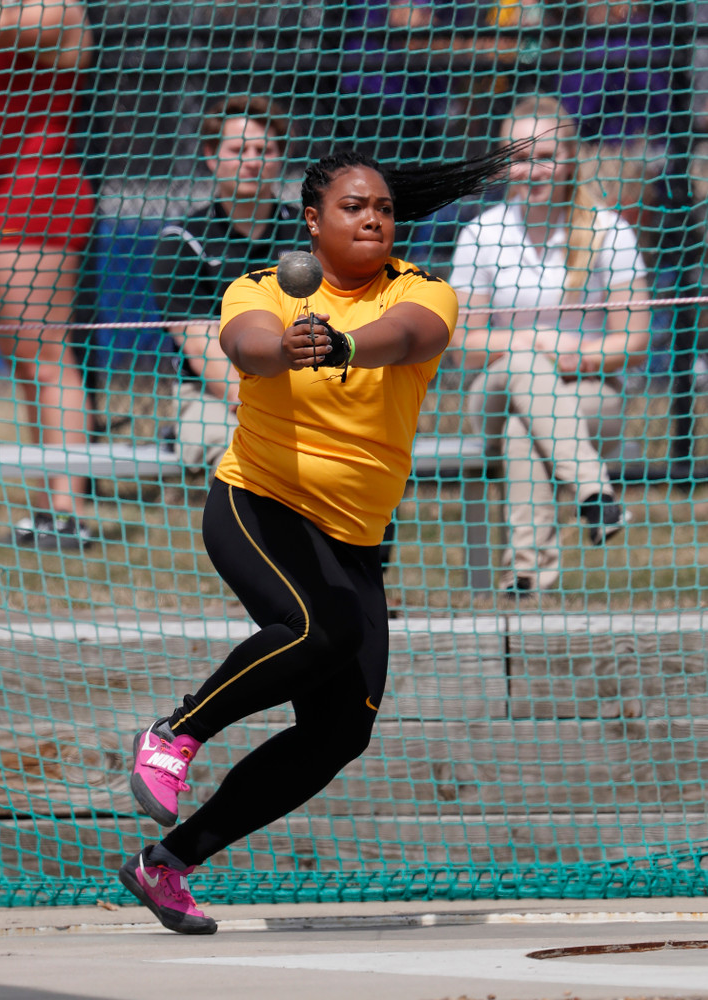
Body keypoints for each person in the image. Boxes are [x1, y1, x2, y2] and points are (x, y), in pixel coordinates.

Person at [117, 145, 514, 934]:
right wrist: (287, 348)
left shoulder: (422, 290)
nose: (372, 218)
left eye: (383, 209)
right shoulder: (258, 289)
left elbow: (406, 339)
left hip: (354, 539)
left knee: (339, 732)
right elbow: (244, 347)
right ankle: (173, 735)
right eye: (352, 207)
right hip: (258, 506)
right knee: (313, 628)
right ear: (311, 221)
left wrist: (340, 344)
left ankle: (166, 865)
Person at [449, 94, 651, 595]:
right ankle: (594, 491)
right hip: (493, 388)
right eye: (518, 158)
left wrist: (577, 354)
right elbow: (462, 344)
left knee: (526, 430)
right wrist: (531, 340)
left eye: (544, 157)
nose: (531, 170)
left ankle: (526, 578)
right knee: (521, 367)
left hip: (590, 392)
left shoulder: (610, 232)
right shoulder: (481, 233)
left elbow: (635, 339)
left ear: (569, 160)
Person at [0, 0, 96, 550]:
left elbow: (38, 25)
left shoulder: (55, 10)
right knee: (23, 363)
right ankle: (45, 505)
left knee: (47, 356)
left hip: (39, 193)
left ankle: (70, 509)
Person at [151, 96, 303, 474]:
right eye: (238, 149)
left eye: (263, 149)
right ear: (210, 154)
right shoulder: (183, 241)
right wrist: (270, 411)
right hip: (213, 397)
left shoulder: (313, 234)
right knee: (250, 459)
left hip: (306, 387)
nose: (251, 160)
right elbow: (203, 350)